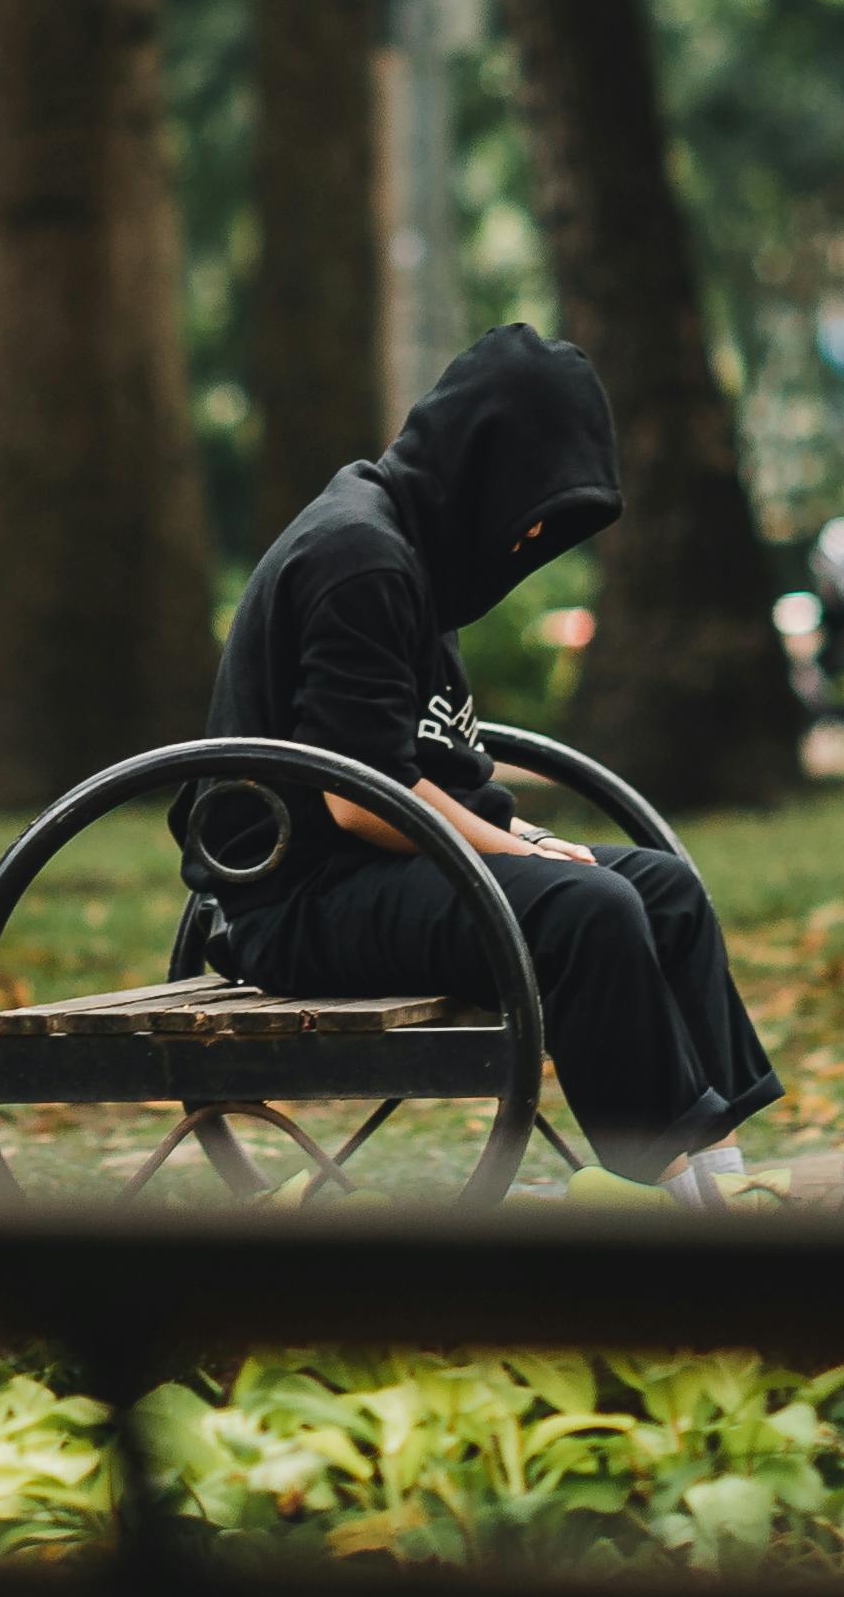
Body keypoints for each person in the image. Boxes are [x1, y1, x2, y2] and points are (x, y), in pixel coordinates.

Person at [184, 325, 783, 1205]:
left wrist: (527, 837)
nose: (535, 532)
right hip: (298, 899)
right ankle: (667, 1200)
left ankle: (722, 1183)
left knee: (661, 889)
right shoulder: (361, 557)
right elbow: (360, 800)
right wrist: (516, 854)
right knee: (589, 910)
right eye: (535, 505)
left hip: (384, 871)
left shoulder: (411, 555)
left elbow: (425, 769)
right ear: (484, 463)